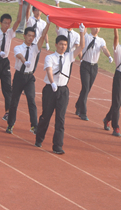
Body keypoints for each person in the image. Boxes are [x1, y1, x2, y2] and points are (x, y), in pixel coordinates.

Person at [35, 22, 86, 154]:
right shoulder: (50, 57)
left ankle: (57, 146)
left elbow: (81, 46)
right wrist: (52, 82)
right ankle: (39, 138)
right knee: (46, 116)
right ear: (56, 45)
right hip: (50, 89)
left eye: (65, 45)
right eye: (61, 44)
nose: (63, 47)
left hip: (63, 90)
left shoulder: (69, 56)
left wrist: (81, 32)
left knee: (60, 119)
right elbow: (49, 70)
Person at [6, 14, 50, 134]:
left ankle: (34, 125)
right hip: (19, 76)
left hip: (29, 77)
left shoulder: (36, 48)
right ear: (24, 36)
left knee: (31, 99)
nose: (31, 38)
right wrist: (25, 61)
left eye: (33, 36)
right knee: (14, 101)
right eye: (29, 36)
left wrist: (48, 24)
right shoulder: (18, 47)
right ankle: (10, 124)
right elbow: (19, 56)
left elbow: (42, 37)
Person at [0, 11, 21, 122]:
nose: (7, 25)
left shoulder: (10, 33)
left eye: (8, 23)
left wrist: (21, 6)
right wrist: (0, 51)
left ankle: (7, 112)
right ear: (1, 23)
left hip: (5, 62)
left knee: (7, 89)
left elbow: (19, 20)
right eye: (5, 23)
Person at [75, 28, 113, 121]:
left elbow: (104, 48)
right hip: (85, 65)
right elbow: (82, 40)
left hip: (94, 67)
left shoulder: (101, 40)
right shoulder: (86, 37)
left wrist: (109, 56)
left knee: (87, 88)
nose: (96, 29)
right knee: (85, 87)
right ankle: (83, 112)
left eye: (98, 28)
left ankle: (78, 105)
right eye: (95, 27)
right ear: (91, 28)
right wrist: (82, 30)